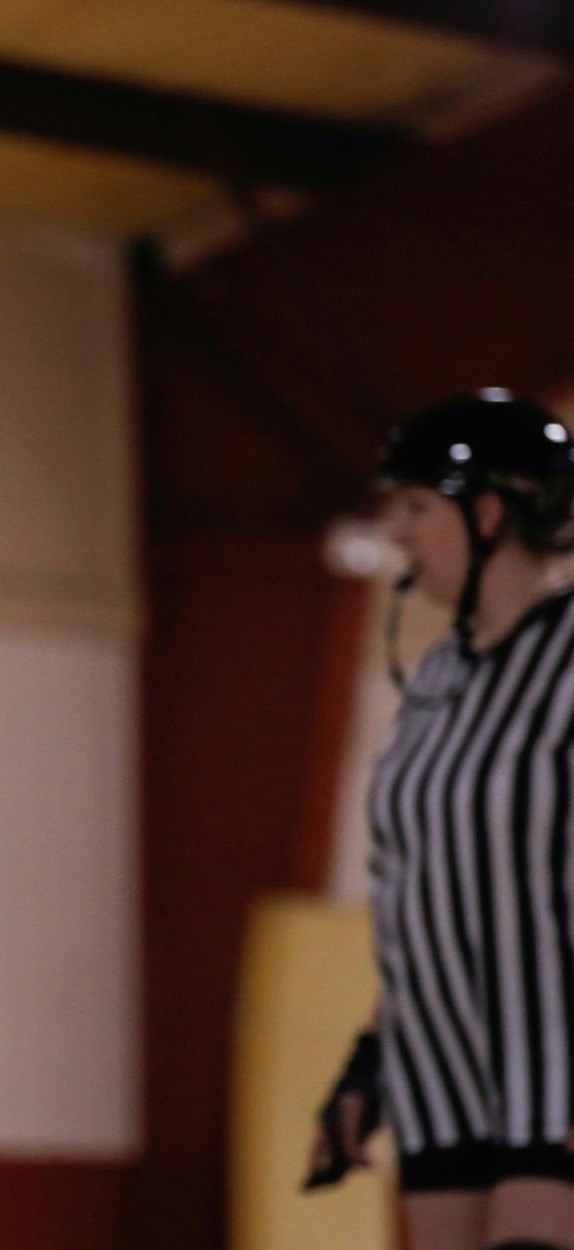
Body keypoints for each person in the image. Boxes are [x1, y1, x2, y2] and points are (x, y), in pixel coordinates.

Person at [309, 389, 574, 1250]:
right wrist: (370, 1064)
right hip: (444, 1073)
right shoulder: (435, 684)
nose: (397, 532)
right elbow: (424, 892)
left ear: (490, 511)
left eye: (418, 506)